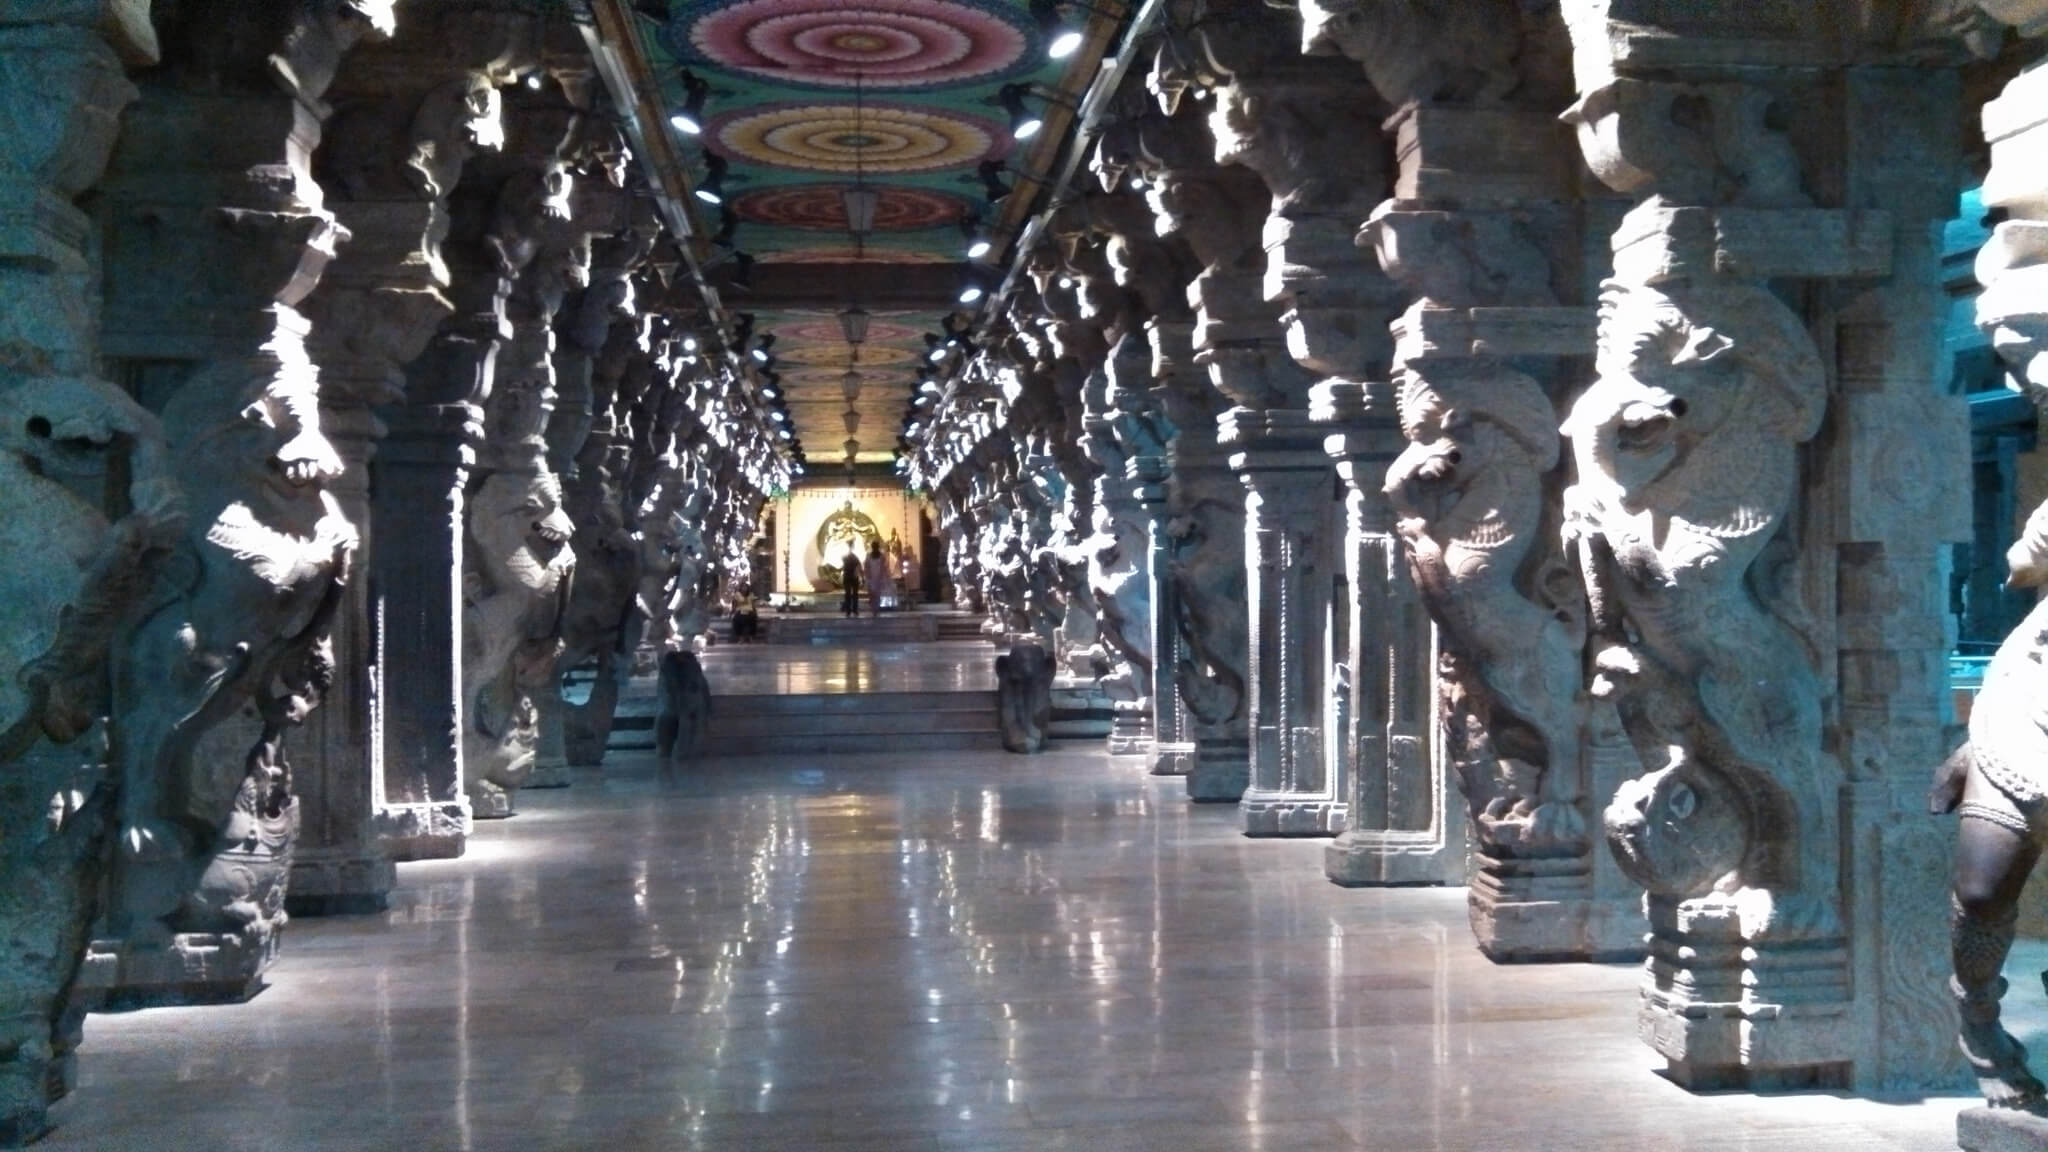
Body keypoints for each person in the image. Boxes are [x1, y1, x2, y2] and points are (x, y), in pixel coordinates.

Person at [864, 540, 895, 617]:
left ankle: (875, 609)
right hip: (875, 578)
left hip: (875, 578)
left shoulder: (881, 556)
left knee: (874, 594)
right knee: (874, 595)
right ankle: (875, 608)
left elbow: (882, 567)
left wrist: (869, 576)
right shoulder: (870, 556)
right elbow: (867, 567)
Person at [839, 549, 860, 618]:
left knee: (848, 594)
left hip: (848, 577)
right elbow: (858, 566)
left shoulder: (845, 557)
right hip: (853, 577)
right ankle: (854, 609)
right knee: (854, 594)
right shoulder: (855, 557)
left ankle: (849, 610)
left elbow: (843, 566)